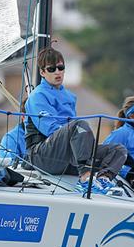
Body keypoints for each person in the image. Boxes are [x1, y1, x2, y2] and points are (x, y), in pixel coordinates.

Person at [25, 47, 127, 193]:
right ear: (42, 72)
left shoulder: (70, 96)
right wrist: (78, 140)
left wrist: (84, 146)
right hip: (41, 156)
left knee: (118, 150)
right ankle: (86, 179)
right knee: (79, 125)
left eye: (61, 67)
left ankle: (103, 180)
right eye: (52, 69)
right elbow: (49, 129)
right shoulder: (37, 96)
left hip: (68, 157)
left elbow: (73, 132)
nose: (57, 72)